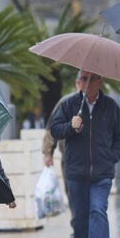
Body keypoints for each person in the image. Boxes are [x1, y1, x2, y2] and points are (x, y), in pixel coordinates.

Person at [50, 70, 120, 238]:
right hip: (76, 171)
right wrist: (71, 126)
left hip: (102, 172)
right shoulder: (69, 105)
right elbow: (55, 129)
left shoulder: (110, 106)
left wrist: (113, 155)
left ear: (100, 81)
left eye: (91, 79)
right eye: (83, 79)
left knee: (97, 210)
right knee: (80, 215)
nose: (86, 83)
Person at [42, 76, 85, 217]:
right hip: (69, 158)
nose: (83, 85)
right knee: (73, 194)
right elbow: (52, 128)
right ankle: (78, 225)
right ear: (76, 83)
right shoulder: (65, 103)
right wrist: (48, 153)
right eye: (81, 81)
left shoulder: (98, 104)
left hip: (93, 160)